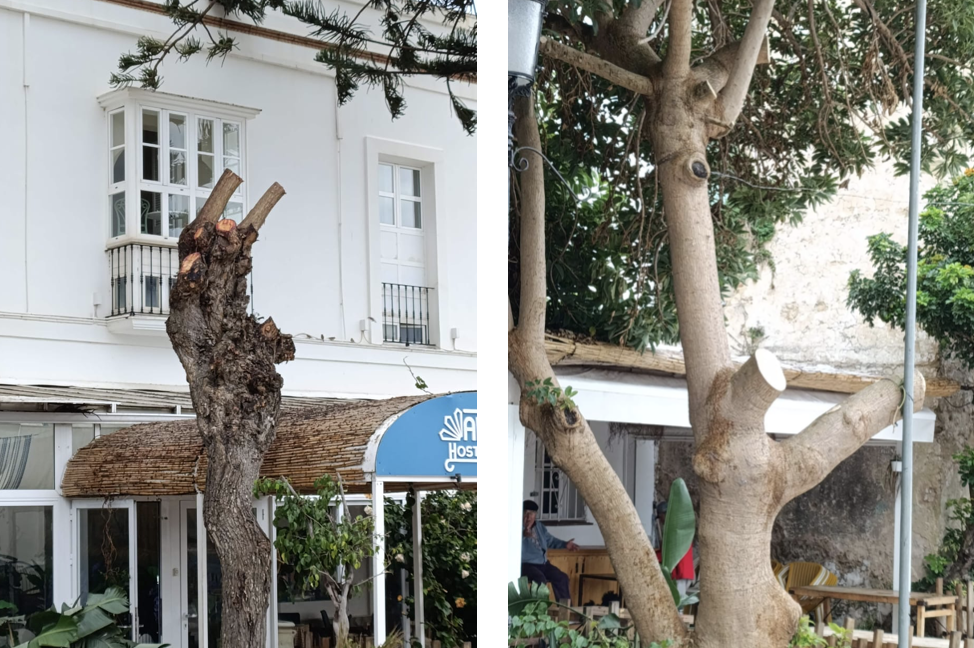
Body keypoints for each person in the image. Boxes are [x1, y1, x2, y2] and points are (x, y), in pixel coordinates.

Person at [521, 500, 579, 602]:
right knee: (540, 579)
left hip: (543, 564)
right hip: (526, 564)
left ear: (535, 515)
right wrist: (523, 535)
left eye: (532, 513)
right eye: (526, 513)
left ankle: (565, 610)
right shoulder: (514, 526)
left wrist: (564, 544)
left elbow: (550, 540)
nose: (528, 517)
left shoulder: (539, 527)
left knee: (562, 578)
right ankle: (536, 611)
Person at [654, 501, 695, 597]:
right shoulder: (678, 525)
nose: (660, 520)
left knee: (677, 603)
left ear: (665, 514)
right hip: (685, 570)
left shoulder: (674, 528)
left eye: (660, 517)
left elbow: (669, 551)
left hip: (680, 571)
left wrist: (654, 556)